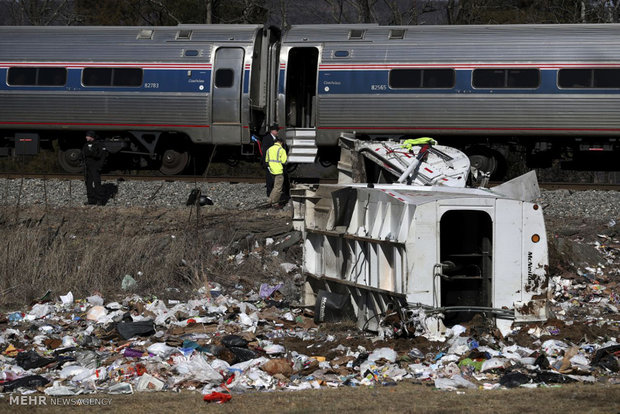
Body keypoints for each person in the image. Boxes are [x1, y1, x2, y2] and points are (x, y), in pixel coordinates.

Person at [82, 130, 107, 205]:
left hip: (95, 166)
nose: (86, 137)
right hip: (88, 167)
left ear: (91, 137)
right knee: (88, 183)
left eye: (87, 136)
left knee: (97, 183)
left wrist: (100, 166)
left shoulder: (99, 145)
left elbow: (102, 156)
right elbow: (83, 154)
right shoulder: (86, 145)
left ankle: (100, 200)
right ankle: (91, 200)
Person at [265, 135, 288, 208]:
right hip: (278, 171)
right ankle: (275, 203)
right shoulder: (281, 150)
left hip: (271, 171)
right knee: (278, 188)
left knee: (275, 187)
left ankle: (269, 201)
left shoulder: (269, 149)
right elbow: (284, 161)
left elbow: (266, 161)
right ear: (281, 142)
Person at [261, 124, 279, 197]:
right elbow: (265, 151)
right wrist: (266, 162)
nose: (278, 132)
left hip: (274, 162)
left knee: (273, 178)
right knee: (269, 178)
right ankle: (269, 194)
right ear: (272, 131)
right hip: (269, 162)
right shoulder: (267, 139)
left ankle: (272, 194)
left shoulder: (276, 139)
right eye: (276, 130)